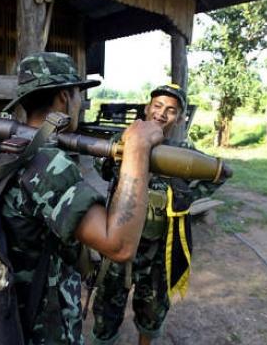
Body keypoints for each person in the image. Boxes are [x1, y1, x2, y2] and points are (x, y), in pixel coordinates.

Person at [0, 52, 164, 345]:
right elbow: (118, 245)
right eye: (78, 95)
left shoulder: (9, 148)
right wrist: (137, 149)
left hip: (14, 314)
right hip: (44, 330)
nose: (80, 103)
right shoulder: (46, 163)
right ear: (63, 98)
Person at [90, 84, 229, 345]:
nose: (162, 114)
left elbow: (219, 174)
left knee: (152, 309)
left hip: (159, 249)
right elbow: (103, 168)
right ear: (147, 108)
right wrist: (128, 151)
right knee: (107, 307)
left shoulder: (185, 152)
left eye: (171, 110)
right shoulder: (126, 139)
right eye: (157, 106)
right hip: (119, 240)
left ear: (179, 117)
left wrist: (187, 194)